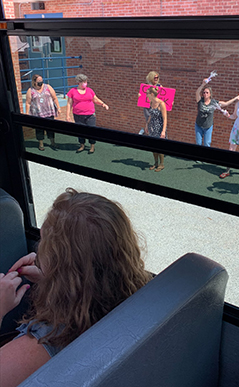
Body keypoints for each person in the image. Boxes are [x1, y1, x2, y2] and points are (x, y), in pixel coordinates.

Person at [0, 188, 151, 387]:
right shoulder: (141, 299)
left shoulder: (39, 346)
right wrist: (51, 278)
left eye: (44, 243)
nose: (38, 250)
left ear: (60, 265)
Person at [66, 74, 109, 154]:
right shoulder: (72, 91)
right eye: (83, 82)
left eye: (86, 81)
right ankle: (82, 145)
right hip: (78, 115)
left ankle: (92, 146)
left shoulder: (89, 90)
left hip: (90, 115)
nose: (85, 83)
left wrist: (103, 104)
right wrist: (67, 115)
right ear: (78, 82)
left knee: (91, 130)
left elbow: (95, 99)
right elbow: (69, 104)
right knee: (80, 131)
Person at [25, 74, 61, 151]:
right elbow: (28, 102)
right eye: (38, 81)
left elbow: (54, 98)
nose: (40, 82)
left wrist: (58, 108)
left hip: (49, 112)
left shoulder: (48, 87)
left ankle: (52, 142)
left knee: (51, 128)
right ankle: (41, 144)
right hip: (38, 113)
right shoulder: (30, 90)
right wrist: (27, 113)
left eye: (41, 81)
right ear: (34, 82)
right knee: (39, 129)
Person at [145, 86, 167, 171]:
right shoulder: (151, 103)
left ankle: (161, 164)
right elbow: (150, 114)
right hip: (152, 128)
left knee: (159, 147)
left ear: (151, 94)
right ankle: (156, 163)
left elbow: (165, 118)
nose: (146, 95)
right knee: (153, 146)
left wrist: (163, 131)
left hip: (159, 128)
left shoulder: (161, 104)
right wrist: (147, 124)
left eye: (147, 94)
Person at [195, 80, 219, 147]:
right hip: (199, 125)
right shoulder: (200, 101)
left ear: (210, 94)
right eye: (204, 92)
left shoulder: (213, 103)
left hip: (208, 126)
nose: (205, 94)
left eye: (207, 92)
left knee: (207, 144)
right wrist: (203, 85)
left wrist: (235, 99)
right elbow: (197, 93)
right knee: (198, 143)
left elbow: (225, 103)